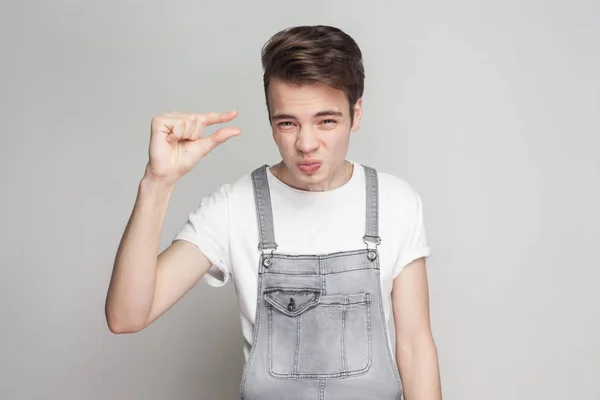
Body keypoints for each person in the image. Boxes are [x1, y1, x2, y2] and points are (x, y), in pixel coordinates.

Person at [105, 25, 442, 400]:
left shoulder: (395, 201)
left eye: (326, 120)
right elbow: (126, 316)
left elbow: (414, 347)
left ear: (356, 114)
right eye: (287, 123)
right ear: (270, 121)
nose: (306, 143)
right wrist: (158, 181)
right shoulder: (235, 206)